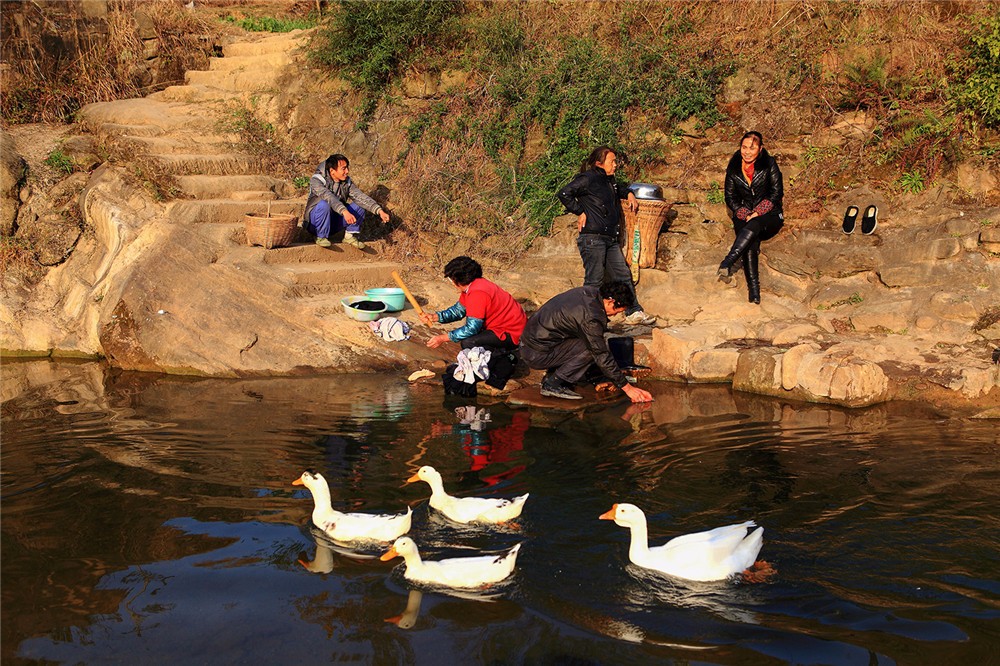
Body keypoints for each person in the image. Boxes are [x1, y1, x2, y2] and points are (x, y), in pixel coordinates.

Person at [557, 146, 656, 327]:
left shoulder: (610, 181)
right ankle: (588, 319)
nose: (616, 165)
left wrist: (629, 193)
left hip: (609, 239)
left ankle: (633, 311)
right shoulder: (588, 178)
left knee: (623, 275)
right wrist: (580, 211)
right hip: (593, 238)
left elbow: (620, 190)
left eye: (615, 161)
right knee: (594, 280)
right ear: (599, 163)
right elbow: (564, 193)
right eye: (612, 161)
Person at [518, 281, 654, 403]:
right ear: (611, 301)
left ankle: (556, 376)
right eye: (617, 310)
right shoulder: (591, 317)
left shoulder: (590, 292)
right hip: (536, 353)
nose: (615, 315)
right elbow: (600, 354)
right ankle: (553, 384)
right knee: (591, 349)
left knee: (593, 342)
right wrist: (628, 389)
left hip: (533, 344)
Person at [718, 131, 784, 304]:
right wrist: (743, 213)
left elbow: (776, 193)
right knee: (749, 241)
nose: (747, 152)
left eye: (752, 148)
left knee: (754, 224)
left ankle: (729, 259)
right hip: (744, 214)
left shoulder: (769, 163)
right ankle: (754, 292)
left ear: (760, 149)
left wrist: (758, 212)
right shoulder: (734, 167)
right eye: (744, 147)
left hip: (770, 215)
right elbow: (730, 197)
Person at [420, 256, 527, 353]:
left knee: (469, 342)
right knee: (470, 333)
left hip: (512, 334)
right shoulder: (473, 286)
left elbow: (472, 328)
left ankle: (499, 359)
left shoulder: (478, 293)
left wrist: (442, 338)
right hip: (500, 327)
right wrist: (436, 317)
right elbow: (459, 310)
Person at [303, 153, 390, 250]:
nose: (347, 171)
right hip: (314, 224)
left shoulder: (346, 182)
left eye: (347, 168)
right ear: (332, 171)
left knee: (359, 205)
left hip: (333, 223)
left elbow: (360, 196)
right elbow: (328, 197)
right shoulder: (317, 180)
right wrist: (344, 211)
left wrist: (379, 211)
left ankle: (349, 236)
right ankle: (321, 236)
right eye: (343, 169)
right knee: (324, 204)